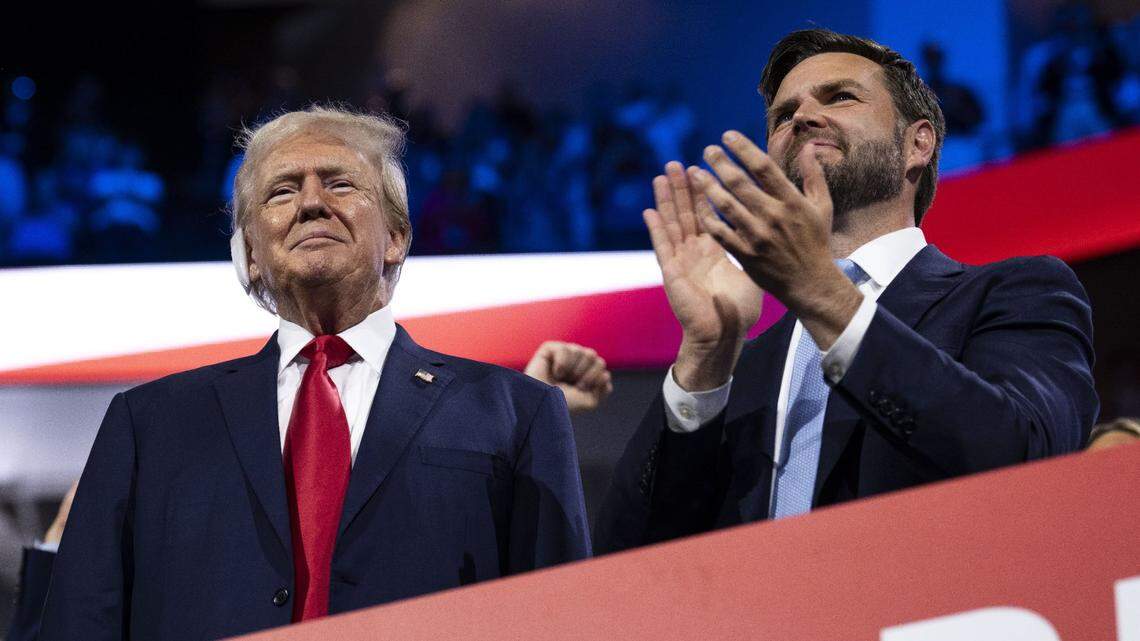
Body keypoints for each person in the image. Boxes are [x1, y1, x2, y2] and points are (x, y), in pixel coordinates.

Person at [39, 106, 592, 640]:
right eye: (282, 191)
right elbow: (79, 624)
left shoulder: (516, 412)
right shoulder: (148, 425)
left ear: (396, 238)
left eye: (339, 184)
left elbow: (563, 621)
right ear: (252, 254)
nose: (311, 203)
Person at [594, 29, 1098, 553]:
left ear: (917, 143)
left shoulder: (1017, 294)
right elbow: (627, 556)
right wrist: (705, 355)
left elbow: (1028, 464)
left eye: (840, 97)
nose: (804, 117)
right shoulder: (736, 370)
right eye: (784, 115)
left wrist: (825, 296)